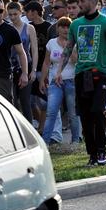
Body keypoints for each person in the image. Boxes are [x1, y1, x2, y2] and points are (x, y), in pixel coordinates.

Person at [54, 0, 106, 167]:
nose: (80, 4)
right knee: (84, 115)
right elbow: (69, 48)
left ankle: (102, 150)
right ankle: (92, 153)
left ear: (92, 2)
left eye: (83, 1)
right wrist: (59, 71)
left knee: (97, 111)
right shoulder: (75, 24)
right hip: (81, 74)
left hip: (101, 73)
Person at [39, 17, 81, 145]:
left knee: (73, 113)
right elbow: (46, 62)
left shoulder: (75, 42)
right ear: (57, 28)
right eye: (62, 27)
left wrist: (70, 46)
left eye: (68, 27)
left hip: (71, 80)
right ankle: (45, 142)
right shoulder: (51, 43)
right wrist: (42, 79)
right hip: (54, 81)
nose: (65, 29)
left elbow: (76, 61)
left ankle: (75, 141)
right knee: (51, 111)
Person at [0, 0, 28, 103]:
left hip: (3, 75)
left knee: (5, 107)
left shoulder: (10, 30)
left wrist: (25, 74)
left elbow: (21, 53)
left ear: (4, 11)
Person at [7, 1, 38, 123]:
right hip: (11, 67)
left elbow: (34, 50)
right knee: (12, 101)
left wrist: (34, 70)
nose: (13, 17)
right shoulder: (8, 27)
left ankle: (29, 130)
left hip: (26, 66)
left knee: (25, 101)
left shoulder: (29, 28)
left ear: (21, 12)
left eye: (15, 14)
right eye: (10, 14)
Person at [25, 1, 52, 132]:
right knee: (29, 101)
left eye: (27, 11)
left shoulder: (49, 27)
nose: (25, 14)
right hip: (31, 68)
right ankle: (38, 124)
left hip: (45, 68)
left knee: (44, 102)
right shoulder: (28, 27)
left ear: (34, 12)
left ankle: (42, 128)